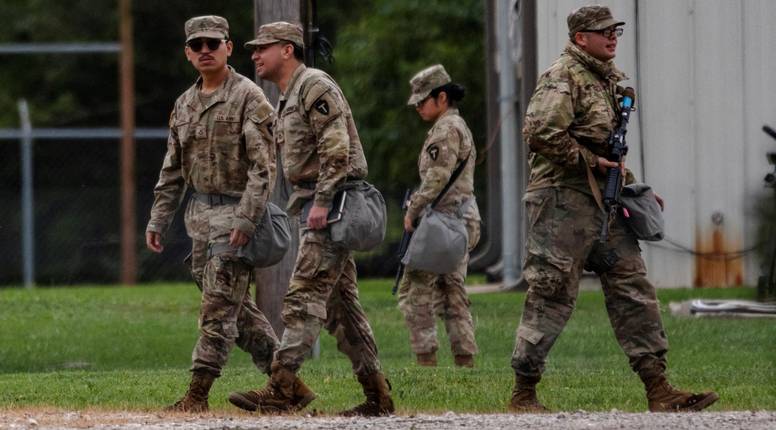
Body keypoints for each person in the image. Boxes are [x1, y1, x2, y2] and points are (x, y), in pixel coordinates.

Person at [508, 5, 719, 413]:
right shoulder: (563, 76)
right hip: (561, 203)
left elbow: (610, 148)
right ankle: (523, 393)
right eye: (603, 31)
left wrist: (629, 186)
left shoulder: (607, 80)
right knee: (551, 292)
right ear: (580, 38)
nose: (612, 37)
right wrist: (590, 162)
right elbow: (539, 132)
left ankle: (659, 389)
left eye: (615, 30)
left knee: (632, 287)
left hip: (604, 202)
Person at [145, 15, 315, 413]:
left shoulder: (248, 97)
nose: (205, 50)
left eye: (213, 43)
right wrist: (158, 219)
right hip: (200, 219)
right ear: (188, 53)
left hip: (237, 215)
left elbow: (263, 167)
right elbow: (172, 170)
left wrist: (246, 218)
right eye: (197, 45)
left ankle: (197, 394)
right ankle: (289, 386)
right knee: (237, 311)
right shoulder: (184, 105)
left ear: (228, 47)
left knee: (218, 310)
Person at [233, 21, 394, 416]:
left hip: (333, 205)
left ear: (287, 49)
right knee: (342, 309)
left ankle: (282, 387)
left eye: (263, 47)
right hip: (318, 206)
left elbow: (336, 148)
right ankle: (378, 396)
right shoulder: (290, 94)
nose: (255, 54)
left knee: (303, 297)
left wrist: (322, 201)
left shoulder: (314, 85)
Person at [397, 65, 481, 368]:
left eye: (422, 101)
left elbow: (436, 177)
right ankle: (465, 362)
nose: (418, 107)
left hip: (442, 222)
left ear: (441, 97)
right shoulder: (458, 125)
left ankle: (426, 362)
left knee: (415, 291)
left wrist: (414, 210)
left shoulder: (445, 129)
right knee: (452, 292)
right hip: (461, 219)